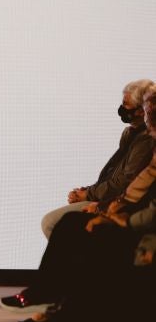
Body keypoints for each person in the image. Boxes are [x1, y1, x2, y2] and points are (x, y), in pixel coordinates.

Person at [39, 79, 154, 239]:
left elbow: (127, 182)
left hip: (116, 205)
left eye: (126, 104)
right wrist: (88, 191)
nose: (122, 108)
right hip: (108, 199)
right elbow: (113, 174)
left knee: (50, 223)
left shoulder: (147, 139)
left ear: (142, 110)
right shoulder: (130, 133)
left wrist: (94, 199)